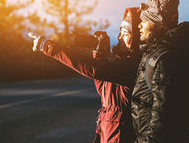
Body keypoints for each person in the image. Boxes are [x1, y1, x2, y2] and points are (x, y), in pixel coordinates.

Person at [32, 7, 142, 143]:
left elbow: (95, 70)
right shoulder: (121, 61)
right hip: (109, 126)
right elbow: (101, 84)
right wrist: (99, 52)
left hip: (120, 131)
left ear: (136, 37)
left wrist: (50, 47)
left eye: (125, 33)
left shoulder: (132, 63)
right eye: (120, 32)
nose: (119, 37)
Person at [130, 0, 189, 143]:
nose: (139, 25)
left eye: (145, 20)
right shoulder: (160, 52)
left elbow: (163, 114)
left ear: (156, 23)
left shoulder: (164, 59)